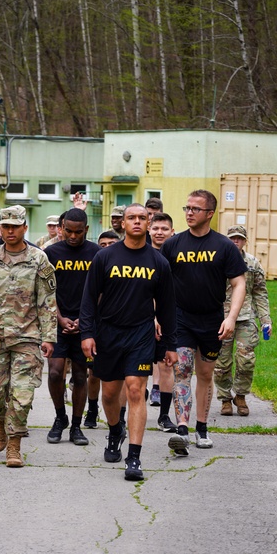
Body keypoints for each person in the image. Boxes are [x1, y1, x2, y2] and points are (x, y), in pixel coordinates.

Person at [80, 204, 177, 481]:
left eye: (141, 218)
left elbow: (168, 307)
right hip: (107, 333)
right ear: (123, 223)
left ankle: (134, 458)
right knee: (110, 394)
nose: (137, 222)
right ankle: (114, 431)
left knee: (136, 390)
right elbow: (88, 299)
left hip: (141, 333)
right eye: (131, 218)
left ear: (149, 222)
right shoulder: (105, 257)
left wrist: (170, 343)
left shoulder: (159, 262)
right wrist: (87, 333)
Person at [0, 205, 57, 468]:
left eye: (15, 226)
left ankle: (14, 445)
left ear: (25, 228)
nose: (10, 231)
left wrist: (49, 337)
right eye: (5, 226)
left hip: (27, 338)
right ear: (0, 228)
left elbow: (47, 302)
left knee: (22, 394)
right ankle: (0, 422)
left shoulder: (39, 259)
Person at [160, 190, 247, 455]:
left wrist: (231, 317)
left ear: (210, 214)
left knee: (206, 375)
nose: (189, 213)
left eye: (195, 209)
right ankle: (182, 429)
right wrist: (157, 316)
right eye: (186, 208)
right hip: (180, 319)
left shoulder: (224, 246)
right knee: (182, 371)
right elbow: (159, 283)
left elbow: (239, 282)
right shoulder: (173, 245)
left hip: (211, 320)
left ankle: (201, 428)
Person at [43, 208, 100, 446]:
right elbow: (45, 292)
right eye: (68, 231)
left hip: (85, 325)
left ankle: (76, 426)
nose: (73, 236)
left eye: (78, 232)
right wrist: (59, 318)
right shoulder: (50, 253)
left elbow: (101, 292)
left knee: (79, 375)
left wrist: (83, 322)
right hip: (57, 322)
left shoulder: (97, 254)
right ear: (61, 228)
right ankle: (60, 418)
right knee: (55, 372)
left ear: (86, 230)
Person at [213, 225, 272, 417]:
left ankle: (240, 395)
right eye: (231, 238)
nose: (235, 242)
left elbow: (260, 293)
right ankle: (224, 399)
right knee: (222, 362)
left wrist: (265, 320)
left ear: (245, 241)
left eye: (239, 238)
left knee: (246, 360)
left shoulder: (253, 264)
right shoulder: (218, 260)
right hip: (221, 317)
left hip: (245, 317)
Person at [82, 229, 122, 428]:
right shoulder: (97, 264)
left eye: (112, 244)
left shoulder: (125, 264)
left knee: (120, 376)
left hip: (119, 326)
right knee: (94, 372)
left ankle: (120, 416)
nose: (107, 247)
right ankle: (92, 409)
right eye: (103, 244)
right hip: (97, 325)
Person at [148, 212, 177, 431]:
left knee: (166, 365)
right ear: (149, 230)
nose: (159, 233)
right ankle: (122, 418)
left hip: (169, 319)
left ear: (172, 232)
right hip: (142, 319)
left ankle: (164, 416)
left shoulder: (176, 257)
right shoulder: (142, 254)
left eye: (164, 229)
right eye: (156, 228)